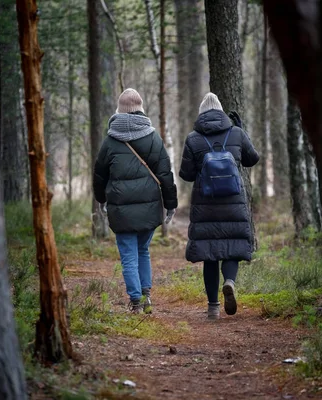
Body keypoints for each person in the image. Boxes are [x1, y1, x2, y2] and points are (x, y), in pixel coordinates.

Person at [93, 88, 177, 314]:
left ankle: (136, 302)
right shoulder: (153, 137)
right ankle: (146, 296)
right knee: (143, 251)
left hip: (121, 210)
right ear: (140, 109)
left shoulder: (110, 141)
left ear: (119, 110)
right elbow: (165, 174)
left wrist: (100, 200)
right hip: (150, 208)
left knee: (129, 255)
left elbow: (99, 174)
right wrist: (171, 204)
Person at [179, 92, 260, 320]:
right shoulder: (235, 132)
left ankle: (213, 307)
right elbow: (252, 159)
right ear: (222, 111)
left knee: (210, 254)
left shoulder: (193, 138)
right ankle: (231, 282)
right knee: (232, 246)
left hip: (205, 204)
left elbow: (185, 174)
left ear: (201, 113)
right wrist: (242, 131)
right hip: (233, 202)